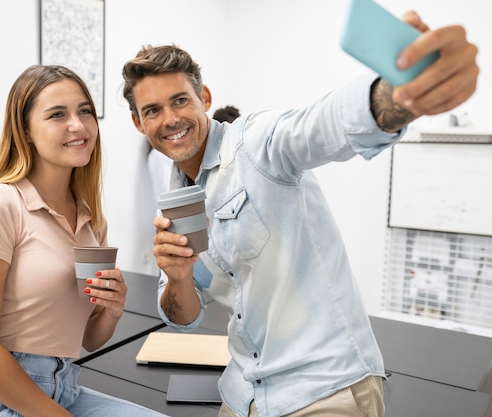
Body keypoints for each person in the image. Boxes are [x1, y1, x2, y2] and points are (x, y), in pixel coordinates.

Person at [121, 10, 478, 417]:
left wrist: (401, 95)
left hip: (325, 390)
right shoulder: (176, 199)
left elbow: (323, 125)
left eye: (180, 100)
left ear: (204, 99)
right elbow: (183, 317)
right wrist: (179, 278)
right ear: (137, 122)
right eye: (152, 111)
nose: (170, 119)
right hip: (242, 395)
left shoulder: (256, 144)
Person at [0, 65, 167, 417]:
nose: (78, 125)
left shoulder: (91, 220)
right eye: (57, 114)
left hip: (63, 388)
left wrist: (112, 311)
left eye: (85, 111)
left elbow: (86, 338)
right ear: (25, 131)